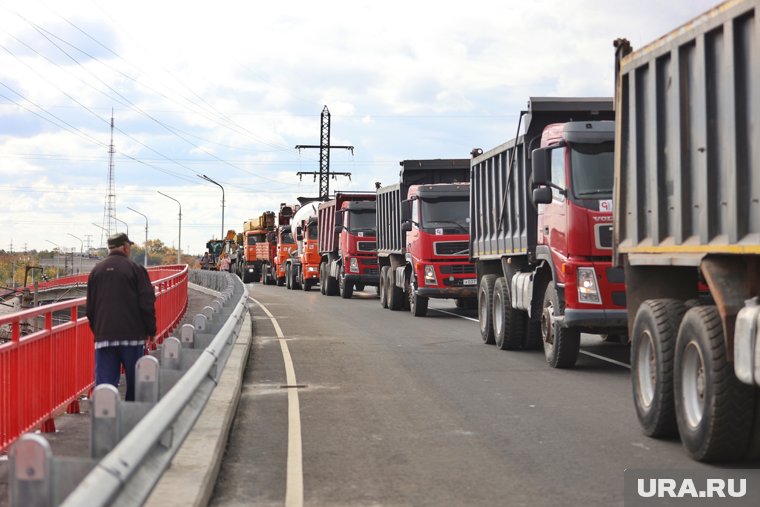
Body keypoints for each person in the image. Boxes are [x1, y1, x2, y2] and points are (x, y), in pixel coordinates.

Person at [86, 232, 156, 401]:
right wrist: (151, 330)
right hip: (132, 337)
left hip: (104, 337)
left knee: (105, 385)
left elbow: (90, 308)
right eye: (130, 246)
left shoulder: (96, 271)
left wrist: (99, 331)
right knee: (135, 383)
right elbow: (146, 303)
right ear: (125, 247)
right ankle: (132, 419)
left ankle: (105, 420)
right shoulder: (136, 269)